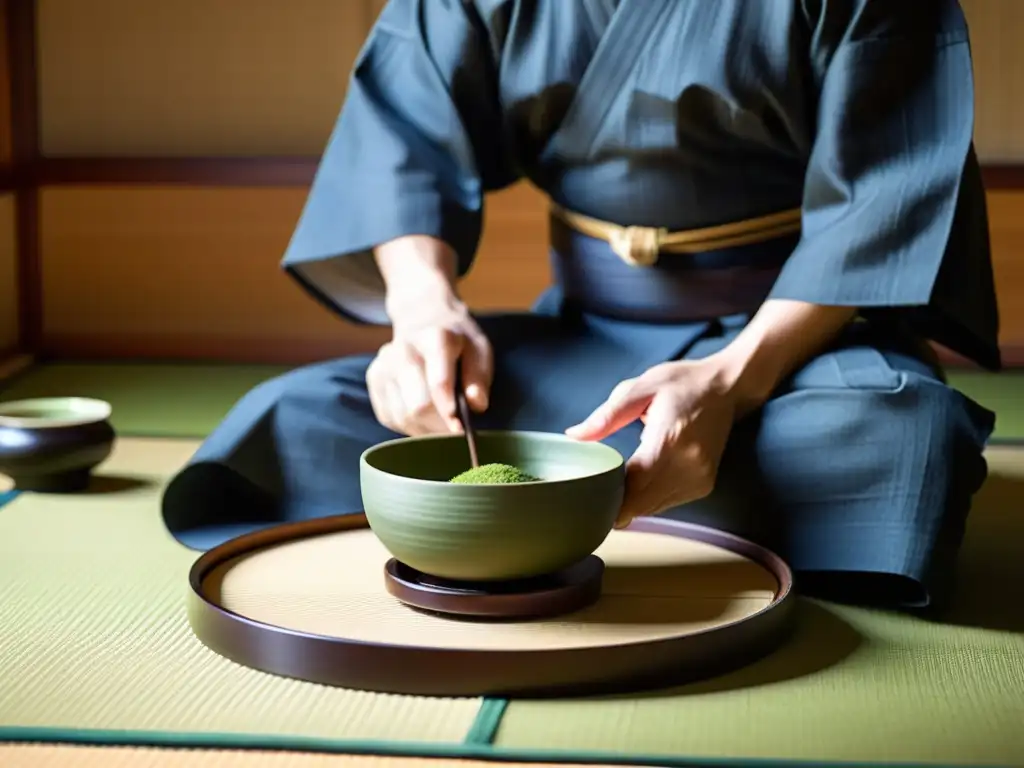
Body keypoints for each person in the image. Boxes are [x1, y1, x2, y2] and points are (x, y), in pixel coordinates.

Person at [162, 0, 999, 613]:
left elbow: (882, 200)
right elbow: (403, 134)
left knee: (902, 432)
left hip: (792, 346)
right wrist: (423, 312)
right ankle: (639, 507)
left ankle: (524, 518)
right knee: (302, 416)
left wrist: (730, 383)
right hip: (589, 343)